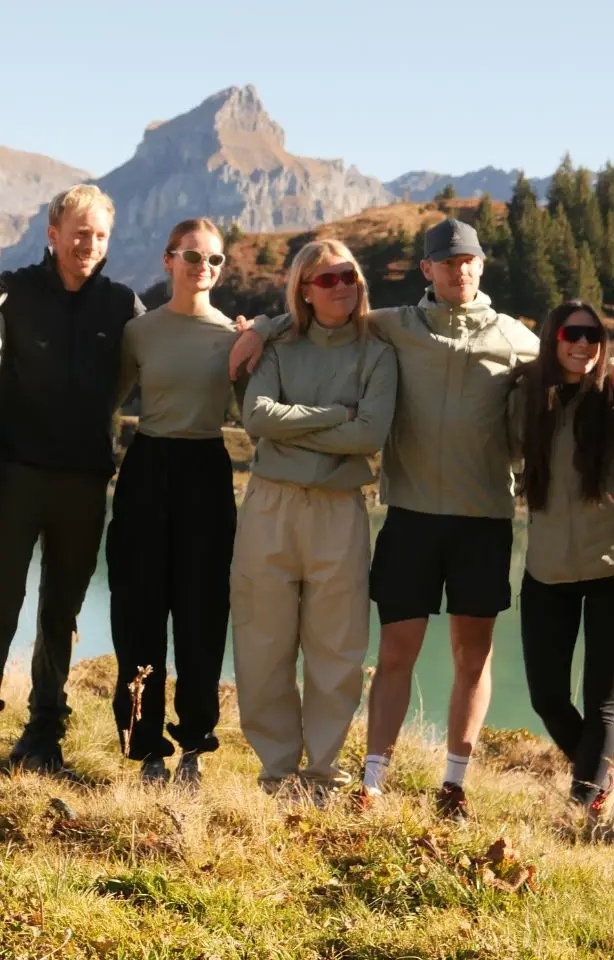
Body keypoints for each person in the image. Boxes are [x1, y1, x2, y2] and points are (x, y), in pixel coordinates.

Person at [231, 220, 547, 817]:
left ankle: (448, 782)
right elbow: (308, 335)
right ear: (427, 269)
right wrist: (265, 328)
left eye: (469, 260)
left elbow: (570, 364)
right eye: (446, 261)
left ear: (482, 265)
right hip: (409, 516)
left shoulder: (514, 338)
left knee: (465, 657)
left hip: (483, 517)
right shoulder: (392, 327)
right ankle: (366, 777)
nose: (459, 269)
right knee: (382, 652)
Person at [231, 239, 397, 795]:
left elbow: (369, 435)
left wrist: (295, 428)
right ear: (304, 287)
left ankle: (323, 774)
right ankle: (277, 772)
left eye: (347, 275)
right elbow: (257, 416)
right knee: (262, 644)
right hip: (270, 507)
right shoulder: (279, 344)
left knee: (337, 649)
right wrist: (334, 417)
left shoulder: (377, 352)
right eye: (326, 279)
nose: (341, 287)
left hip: (339, 513)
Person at [0, 185, 142, 771]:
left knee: (62, 610)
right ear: (52, 235)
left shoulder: (123, 305)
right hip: (15, 476)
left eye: (100, 235)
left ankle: (42, 735)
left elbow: (161, 356)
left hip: (85, 481)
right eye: (79, 233)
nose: (89, 244)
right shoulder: (13, 292)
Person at [108, 219, 241, 787]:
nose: (202, 268)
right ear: (168, 260)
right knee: (138, 607)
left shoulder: (237, 337)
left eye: (214, 260)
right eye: (192, 256)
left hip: (208, 470)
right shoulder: (139, 333)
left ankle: (193, 745)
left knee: (202, 612)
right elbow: (105, 402)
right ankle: (145, 746)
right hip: (147, 468)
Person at [508, 300, 614, 825]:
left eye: (593, 335)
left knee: (603, 702)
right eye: (572, 333)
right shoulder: (527, 398)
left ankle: (583, 806)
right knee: (547, 696)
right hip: (547, 569)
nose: (583, 344)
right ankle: (611, 780)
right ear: (553, 337)